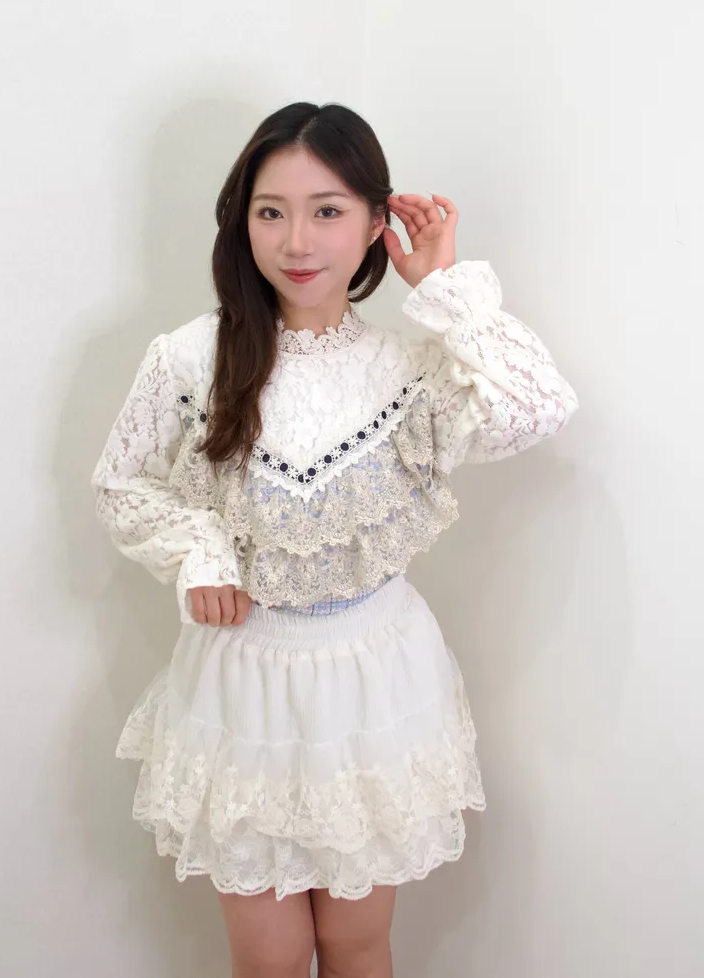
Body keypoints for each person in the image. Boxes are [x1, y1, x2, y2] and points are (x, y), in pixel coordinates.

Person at [92, 101, 578, 978]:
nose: (296, 240)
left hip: (374, 679)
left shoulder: (409, 370)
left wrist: (444, 288)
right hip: (243, 682)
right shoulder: (189, 359)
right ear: (241, 221)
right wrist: (199, 549)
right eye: (270, 211)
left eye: (327, 210)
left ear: (374, 221)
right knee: (270, 957)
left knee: (357, 946)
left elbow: (537, 406)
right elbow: (119, 482)